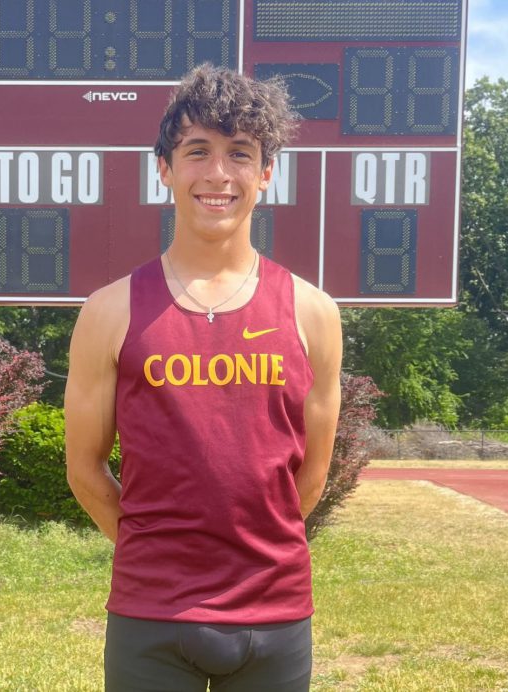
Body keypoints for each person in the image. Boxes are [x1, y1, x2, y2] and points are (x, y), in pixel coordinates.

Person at [64, 64, 343, 691]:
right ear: (164, 167)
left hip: (274, 616)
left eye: (240, 154)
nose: (219, 174)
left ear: (266, 173)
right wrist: (157, 555)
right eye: (198, 152)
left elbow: (312, 475)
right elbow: (84, 469)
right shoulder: (109, 311)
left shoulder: (312, 313)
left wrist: (248, 549)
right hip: (150, 616)